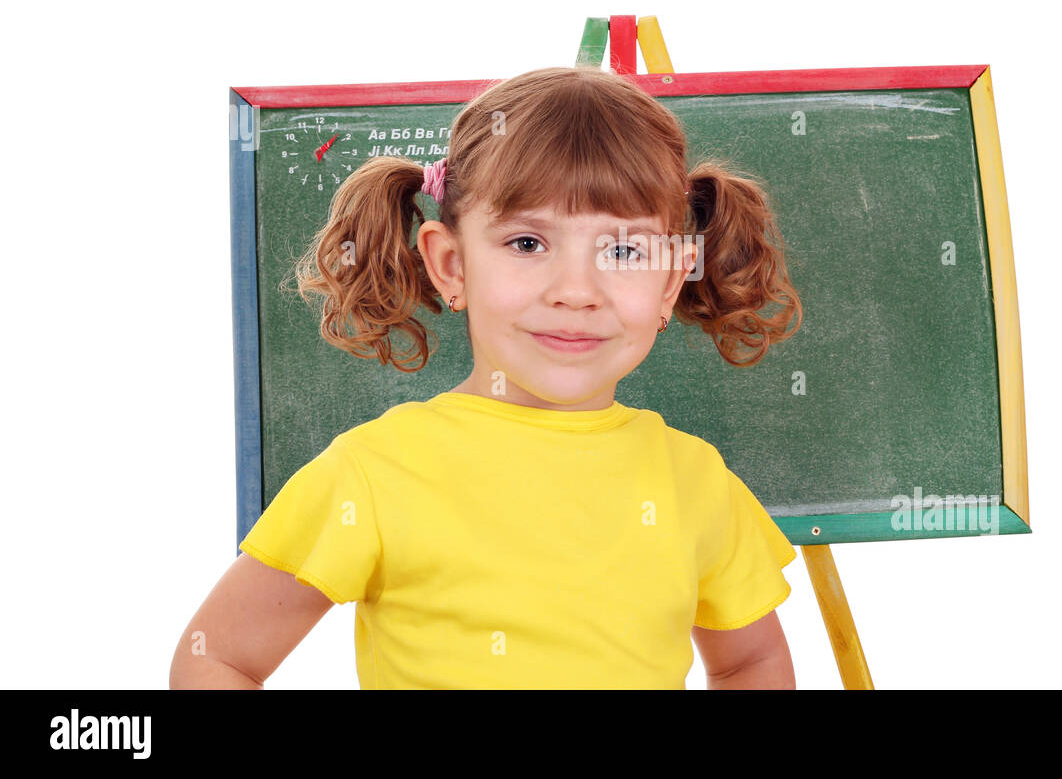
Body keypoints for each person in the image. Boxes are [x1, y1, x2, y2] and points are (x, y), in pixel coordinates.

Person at [170, 65, 805, 689]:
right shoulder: (374, 473)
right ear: (451, 264)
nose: (577, 291)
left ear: (671, 279)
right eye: (528, 243)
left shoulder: (697, 483)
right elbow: (217, 659)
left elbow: (751, 663)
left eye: (623, 250)